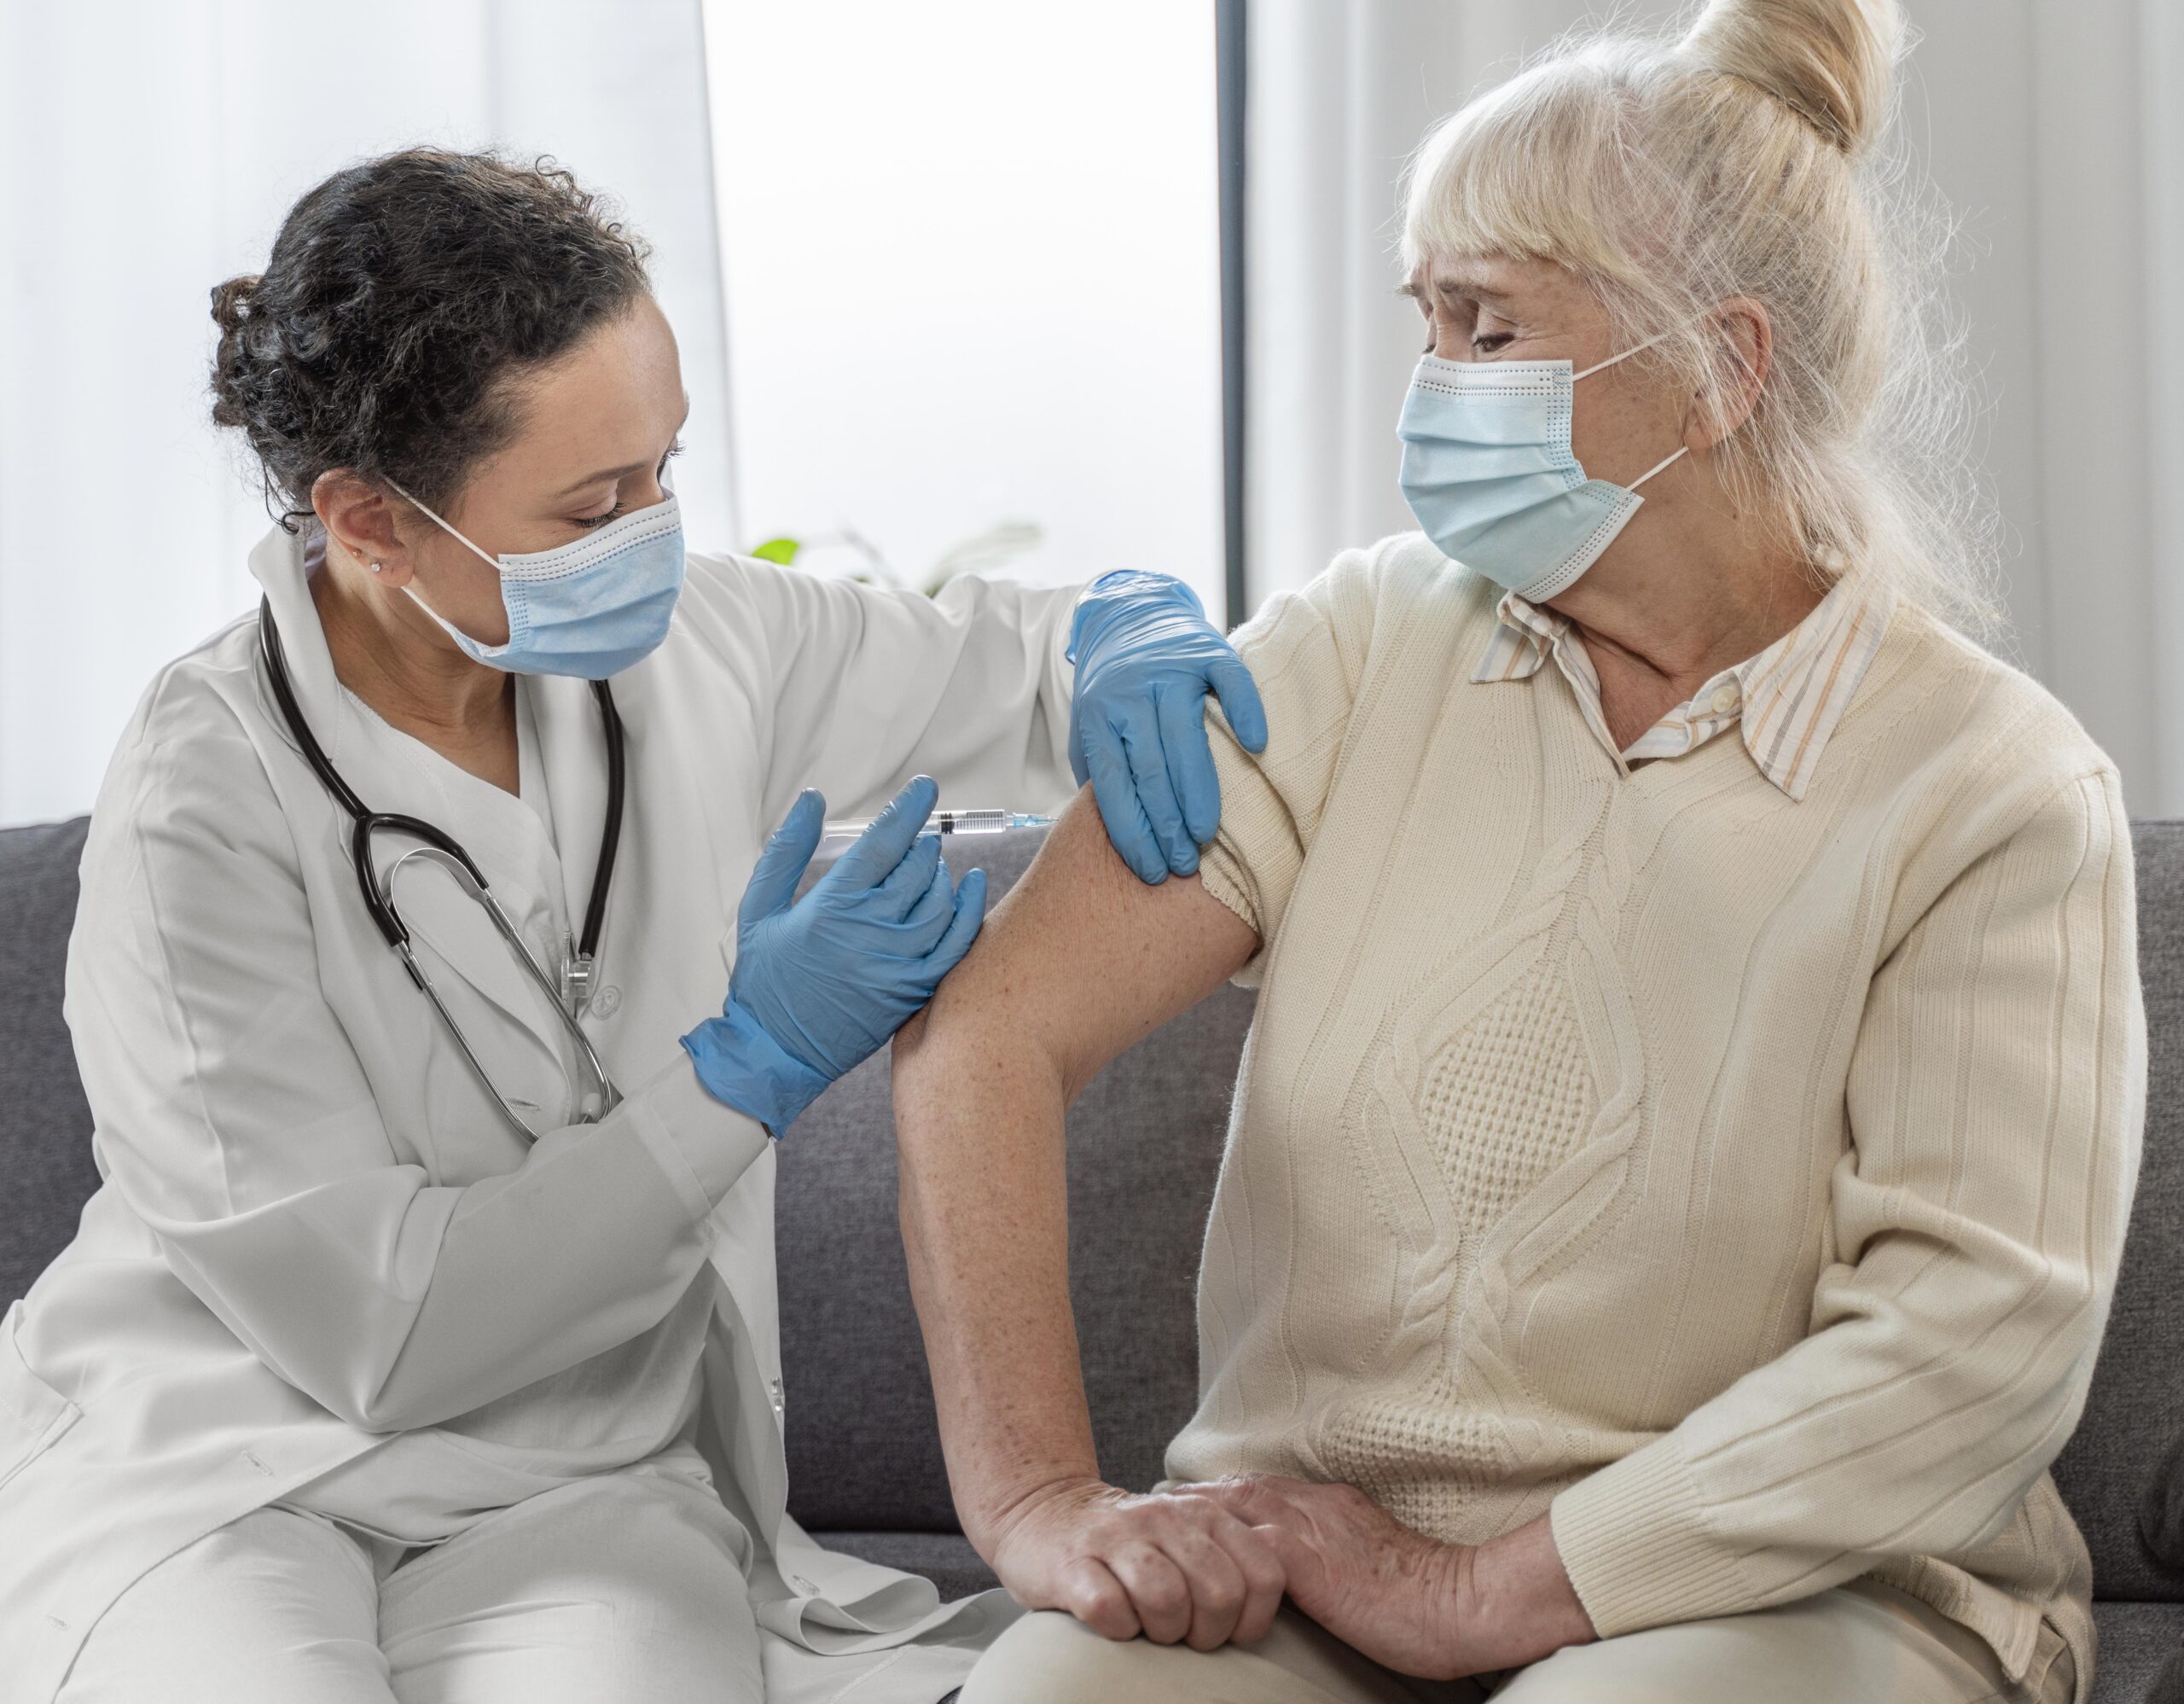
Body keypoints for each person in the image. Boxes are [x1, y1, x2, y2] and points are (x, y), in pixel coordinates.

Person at [890, 3, 2146, 1701]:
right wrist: (1040, 1501)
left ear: (1723, 368)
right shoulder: (1356, 647)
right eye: (1424, 321)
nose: (1430, 389)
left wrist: (1485, 1591)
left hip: (1808, 1593)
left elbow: (1970, 1346)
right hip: (1313, 1569)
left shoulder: (1991, 790)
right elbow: (991, 1033)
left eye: (1484, 327)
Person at [0, 149, 1264, 1704]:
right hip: (220, 1462)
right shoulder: (200, 796)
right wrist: (746, 1070)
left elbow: (1013, 659)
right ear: (369, 520)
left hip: (582, 1468)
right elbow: (381, 1336)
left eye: (663, 468)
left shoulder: (696, 647)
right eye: (595, 504)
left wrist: (1126, 627)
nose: (654, 534)